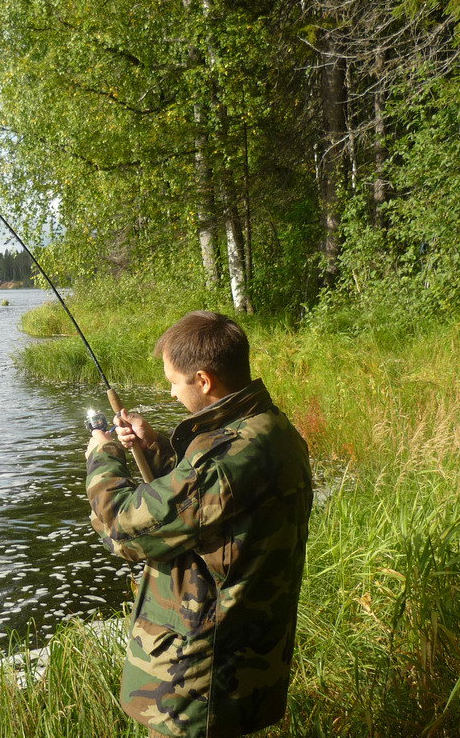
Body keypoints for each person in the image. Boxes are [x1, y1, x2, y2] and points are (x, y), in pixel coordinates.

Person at [84, 310, 313, 738]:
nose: (171, 393)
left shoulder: (223, 461)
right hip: (244, 663)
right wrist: (153, 447)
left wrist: (104, 456)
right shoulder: (271, 428)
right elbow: (212, 507)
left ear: (204, 380)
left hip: (201, 682)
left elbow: (121, 528)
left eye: (174, 381)